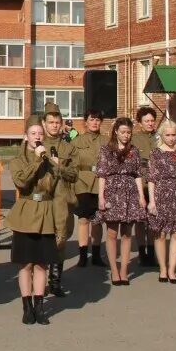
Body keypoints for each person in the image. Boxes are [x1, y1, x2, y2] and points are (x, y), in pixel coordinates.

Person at [7, 116, 62, 325]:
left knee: (41, 264)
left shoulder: (48, 159)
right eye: (33, 134)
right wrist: (39, 160)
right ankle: (27, 307)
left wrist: (55, 167)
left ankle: (40, 307)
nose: (37, 137)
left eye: (40, 134)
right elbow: (22, 181)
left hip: (46, 212)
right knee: (26, 264)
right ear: (25, 137)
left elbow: (54, 186)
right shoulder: (18, 160)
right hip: (27, 211)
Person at [94, 116, 146, 286]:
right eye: (123, 132)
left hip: (130, 192)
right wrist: (101, 197)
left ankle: (124, 270)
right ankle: (114, 271)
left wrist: (141, 196)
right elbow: (102, 175)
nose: (126, 135)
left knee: (126, 233)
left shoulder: (134, 151)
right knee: (111, 232)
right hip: (112, 192)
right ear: (116, 131)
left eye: (129, 133)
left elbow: (138, 174)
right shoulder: (106, 150)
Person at [146, 120, 176, 284]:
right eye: (168, 135)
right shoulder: (155, 153)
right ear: (162, 135)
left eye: (173, 135)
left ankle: (172, 270)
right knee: (161, 234)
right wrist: (152, 201)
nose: (171, 138)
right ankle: (163, 269)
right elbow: (151, 178)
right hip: (161, 194)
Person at [40, 105, 77, 298]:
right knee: (41, 237)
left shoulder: (68, 147)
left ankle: (55, 281)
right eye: (50, 122)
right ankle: (38, 280)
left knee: (61, 237)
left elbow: (74, 173)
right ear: (44, 123)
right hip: (42, 198)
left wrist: (59, 165)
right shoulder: (36, 143)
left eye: (57, 122)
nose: (54, 126)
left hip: (62, 196)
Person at [68, 109, 106, 268]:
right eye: (92, 119)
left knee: (97, 221)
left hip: (101, 183)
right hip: (82, 182)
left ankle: (96, 255)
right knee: (83, 219)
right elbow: (70, 164)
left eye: (97, 120)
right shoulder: (76, 141)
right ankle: (83, 256)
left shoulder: (107, 141)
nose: (95, 122)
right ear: (86, 122)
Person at [132, 106, 160, 267]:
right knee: (141, 220)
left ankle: (152, 252)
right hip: (140, 184)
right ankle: (142, 252)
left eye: (152, 120)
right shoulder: (135, 139)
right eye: (146, 121)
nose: (150, 124)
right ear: (140, 123)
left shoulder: (159, 137)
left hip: (157, 184)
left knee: (154, 220)